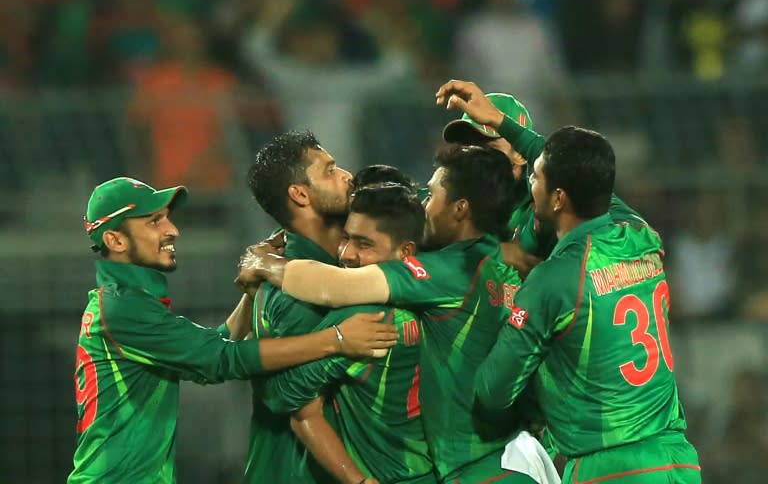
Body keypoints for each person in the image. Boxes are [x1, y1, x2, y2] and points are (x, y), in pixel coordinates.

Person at [434, 80, 701, 483]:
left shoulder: (551, 264)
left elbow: (493, 391)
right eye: (464, 153)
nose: (472, 164)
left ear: (526, 168)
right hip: (671, 456)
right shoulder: (637, 235)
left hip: (590, 459)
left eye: (488, 151)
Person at [240, 146, 544, 484]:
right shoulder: (503, 265)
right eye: (347, 238)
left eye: (433, 196)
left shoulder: (431, 280)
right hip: (516, 455)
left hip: (477, 467)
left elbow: (337, 287)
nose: (425, 206)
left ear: (460, 209)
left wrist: (264, 263)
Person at [69, 176, 397, 484]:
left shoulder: (124, 303)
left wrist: (251, 293)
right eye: (154, 221)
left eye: (167, 217)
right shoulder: (124, 309)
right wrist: (336, 340)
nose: (172, 230)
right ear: (115, 239)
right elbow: (222, 359)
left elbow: (212, 347)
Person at [263, 183, 436, 484]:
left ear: (405, 251)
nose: (347, 254)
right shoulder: (447, 294)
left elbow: (285, 399)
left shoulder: (367, 318)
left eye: (364, 244)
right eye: (346, 238)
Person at [244, 129, 363, 484]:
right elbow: (298, 406)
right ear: (299, 194)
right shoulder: (293, 295)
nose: (346, 176)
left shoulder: (329, 268)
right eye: (330, 170)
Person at [442, 91, 556, 277]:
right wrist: (496, 252)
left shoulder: (543, 211)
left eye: (488, 149)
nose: (474, 159)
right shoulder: (446, 197)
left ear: (520, 154)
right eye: (467, 148)